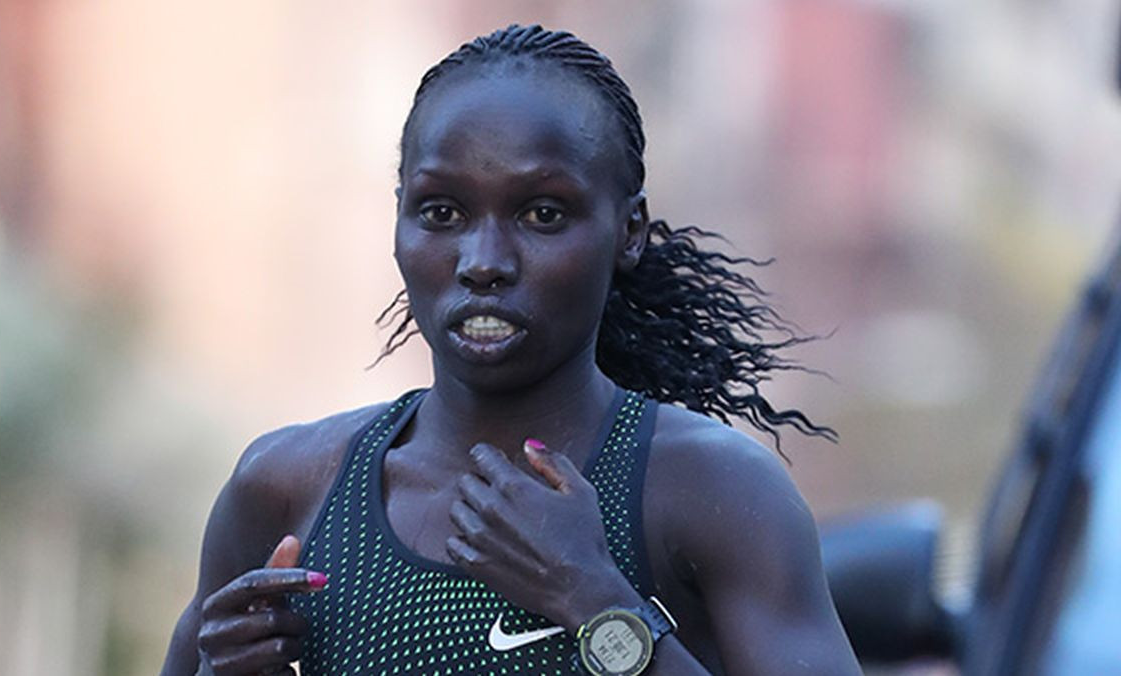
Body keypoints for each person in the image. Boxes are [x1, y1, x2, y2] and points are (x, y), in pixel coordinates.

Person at [161, 24, 861, 676]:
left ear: (629, 230)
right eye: (443, 212)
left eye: (542, 214)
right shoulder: (283, 488)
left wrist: (599, 604)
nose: (483, 261)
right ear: (399, 220)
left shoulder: (715, 491)